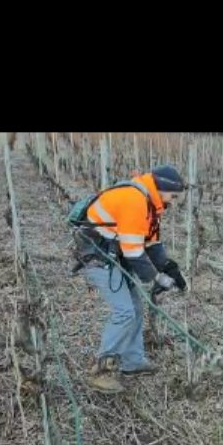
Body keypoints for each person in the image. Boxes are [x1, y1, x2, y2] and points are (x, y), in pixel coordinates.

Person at [73, 164, 188, 392]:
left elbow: (151, 242)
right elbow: (134, 251)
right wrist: (157, 278)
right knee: (124, 311)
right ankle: (100, 371)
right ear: (162, 188)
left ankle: (132, 361)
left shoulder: (150, 204)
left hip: (113, 253)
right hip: (97, 255)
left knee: (135, 307)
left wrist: (169, 266)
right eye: (173, 195)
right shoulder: (135, 200)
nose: (173, 201)